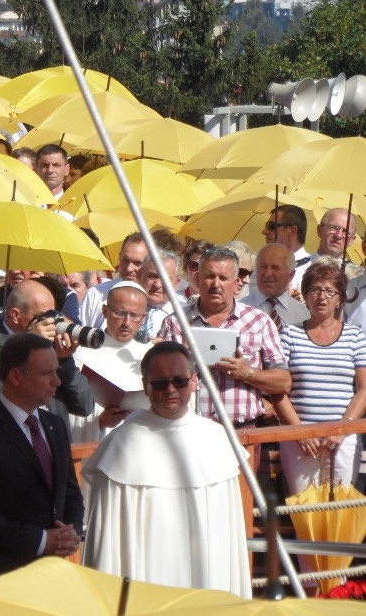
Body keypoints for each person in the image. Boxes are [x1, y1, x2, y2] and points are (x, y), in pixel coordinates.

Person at [82, 341, 251, 598]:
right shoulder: (123, 442)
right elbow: (110, 545)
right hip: (145, 583)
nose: (171, 390)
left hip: (205, 580)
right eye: (160, 383)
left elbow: (228, 537)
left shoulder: (216, 439)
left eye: (180, 381)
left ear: (194, 381)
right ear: (145, 387)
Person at [0, 333, 83, 584]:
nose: (57, 381)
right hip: (1, 576)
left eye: (56, 372)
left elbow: (70, 492)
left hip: (52, 574)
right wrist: (40, 540)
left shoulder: (54, 425)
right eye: (46, 373)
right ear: (15, 376)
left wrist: (71, 532)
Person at [160, 246, 291, 428]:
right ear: (197, 278)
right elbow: (157, 379)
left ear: (236, 283)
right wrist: (183, 362)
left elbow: (283, 382)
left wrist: (246, 373)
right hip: (188, 431)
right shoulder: (174, 323)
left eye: (223, 278)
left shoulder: (259, 322)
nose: (216, 284)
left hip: (243, 431)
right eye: (209, 276)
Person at [278, 264, 366, 493]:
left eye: (330, 291)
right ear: (305, 295)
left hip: (343, 440)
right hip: (299, 440)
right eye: (315, 290)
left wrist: (341, 429)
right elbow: (278, 388)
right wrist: (299, 432)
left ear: (340, 298)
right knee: (303, 512)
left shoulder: (355, 336)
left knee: (341, 510)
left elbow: (364, 389)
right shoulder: (289, 334)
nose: (322, 297)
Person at [0, 279, 93, 429]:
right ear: (15, 315)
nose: (50, 321)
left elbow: (84, 405)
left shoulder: (50, 346)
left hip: (49, 441)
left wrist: (63, 360)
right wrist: (27, 343)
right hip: (2, 441)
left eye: (53, 314)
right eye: (43, 315)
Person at [74, 281, 151, 442]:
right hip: (101, 444)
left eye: (135, 315)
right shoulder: (83, 356)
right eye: (120, 313)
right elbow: (72, 415)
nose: (127, 323)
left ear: (144, 317)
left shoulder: (151, 355)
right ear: (104, 311)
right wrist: (99, 422)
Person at [78, 232, 148, 328]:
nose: (129, 268)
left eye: (137, 263)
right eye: (125, 260)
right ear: (119, 257)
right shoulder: (95, 295)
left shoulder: (157, 301)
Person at [242, 243, 309, 330]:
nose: (268, 274)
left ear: (291, 275)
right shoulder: (239, 310)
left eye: (275, 268)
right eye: (263, 267)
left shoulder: (304, 314)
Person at [261, 204, 310, 290]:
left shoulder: (312, 269)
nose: (264, 231)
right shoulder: (261, 266)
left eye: (271, 226)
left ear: (292, 231)